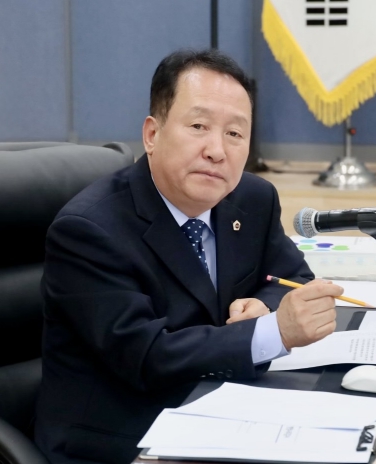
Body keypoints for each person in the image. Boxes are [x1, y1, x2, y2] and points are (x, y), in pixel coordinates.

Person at [34, 48, 343, 464]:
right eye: (199, 126)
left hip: (223, 412)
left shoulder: (252, 199)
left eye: (235, 134)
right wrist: (271, 332)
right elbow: (147, 356)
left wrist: (265, 308)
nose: (217, 150)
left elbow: (291, 280)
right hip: (121, 440)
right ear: (152, 134)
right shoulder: (88, 230)